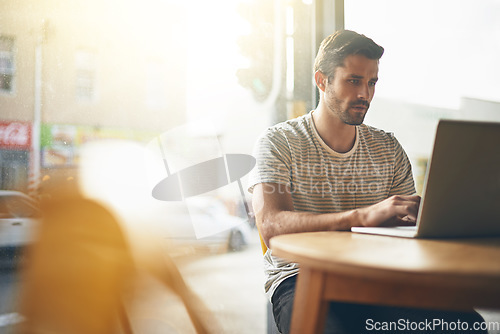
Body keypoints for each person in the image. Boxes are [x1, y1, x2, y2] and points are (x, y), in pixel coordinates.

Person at [248, 30, 486, 334]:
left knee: (468, 326)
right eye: (353, 81)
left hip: (377, 275)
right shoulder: (277, 142)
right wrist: (359, 217)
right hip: (300, 277)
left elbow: (407, 227)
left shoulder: (388, 148)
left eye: (371, 82)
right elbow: (271, 225)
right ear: (322, 81)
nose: (365, 94)